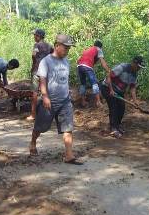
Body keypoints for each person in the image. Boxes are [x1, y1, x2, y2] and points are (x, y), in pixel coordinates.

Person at [29, 34, 83, 165]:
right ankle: (33, 142)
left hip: (64, 101)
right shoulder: (46, 61)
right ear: (57, 46)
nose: (67, 51)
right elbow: (42, 80)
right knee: (40, 127)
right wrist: (45, 96)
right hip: (49, 102)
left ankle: (69, 155)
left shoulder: (66, 61)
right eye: (66, 48)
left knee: (68, 128)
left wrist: (68, 94)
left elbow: (64, 80)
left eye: (69, 48)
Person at [101, 56, 146, 138]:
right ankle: (113, 128)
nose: (139, 69)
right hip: (107, 87)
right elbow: (108, 76)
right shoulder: (123, 67)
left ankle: (117, 126)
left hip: (118, 91)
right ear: (133, 63)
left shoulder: (134, 74)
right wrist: (111, 90)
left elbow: (132, 88)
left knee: (121, 108)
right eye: (138, 66)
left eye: (140, 68)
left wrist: (135, 101)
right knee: (113, 107)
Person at [28, 28, 53, 121]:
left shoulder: (36, 45)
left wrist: (34, 63)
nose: (34, 37)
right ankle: (48, 114)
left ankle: (33, 114)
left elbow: (34, 55)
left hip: (37, 70)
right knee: (46, 92)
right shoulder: (49, 46)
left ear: (38, 36)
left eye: (35, 35)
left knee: (34, 92)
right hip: (46, 72)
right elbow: (53, 53)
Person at [76, 40, 110, 108]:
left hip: (80, 66)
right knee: (94, 84)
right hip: (87, 66)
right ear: (100, 47)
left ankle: (83, 101)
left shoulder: (88, 49)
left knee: (83, 84)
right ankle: (98, 102)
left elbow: (78, 60)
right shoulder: (98, 49)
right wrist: (108, 70)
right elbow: (102, 62)